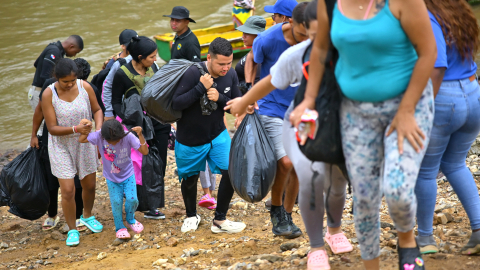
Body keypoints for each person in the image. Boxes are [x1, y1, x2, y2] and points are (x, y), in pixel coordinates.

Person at [290, 0, 437, 269]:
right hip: (355, 111)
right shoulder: (329, 3)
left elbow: (428, 52)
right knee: (365, 198)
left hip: (407, 105)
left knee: (398, 191)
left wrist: (406, 110)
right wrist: (308, 99)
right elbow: (321, 47)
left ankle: (406, 240)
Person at [225, 1, 353, 268]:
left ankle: (333, 229)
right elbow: (262, 73)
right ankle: (309, 239)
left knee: (338, 181)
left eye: (318, 35)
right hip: (285, 113)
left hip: (335, 119)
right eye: (308, 35)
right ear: (295, 25)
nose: (311, 41)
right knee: (299, 169)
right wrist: (245, 98)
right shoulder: (283, 46)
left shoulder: (345, 46)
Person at [415, 0, 480, 256]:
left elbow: (437, 64)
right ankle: (478, 229)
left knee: (425, 170)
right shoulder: (460, 10)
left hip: (444, 97)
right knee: (455, 163)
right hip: (473, 91)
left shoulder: (428, 14)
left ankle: (425, 238)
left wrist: (423, 107)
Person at [171, 37, 247, 234]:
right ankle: (191, 215)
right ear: (209, 58)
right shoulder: (191, 73)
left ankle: (220, 220)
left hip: (217, 134)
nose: (226, 67)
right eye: (221, 63)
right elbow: (176, 104)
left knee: (231, 172)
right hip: (190, 138)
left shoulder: (230, 74)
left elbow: (236, 105)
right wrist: (200, 88)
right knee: (189, 178)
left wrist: (220, 98)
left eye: (229, 63)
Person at [250, 2, 309, 239]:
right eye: (303, 33)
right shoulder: (268, 38)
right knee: (286, 162)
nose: (307, 38)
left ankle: (286, 214)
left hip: (300, 107)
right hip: (271, 107)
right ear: (289, 21)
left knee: (298, 166)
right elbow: (253, 62)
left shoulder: (313, 41)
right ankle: (276, 210)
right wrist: (248, 95)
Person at [31, 58, 99, 232]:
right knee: (68, 190)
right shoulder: (48, 94)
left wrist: (98, 131)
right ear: (56, 78)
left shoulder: (85, 87)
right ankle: (72, 229)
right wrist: (77, 128)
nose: (69, 85)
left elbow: (97, 110)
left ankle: (87, 216)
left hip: (84, 142)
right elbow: (52, 128)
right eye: (65, 81)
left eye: (72, 81)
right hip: (61, 144)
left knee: (89, 185)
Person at [111, 36, 169, 220]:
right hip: (138, 128)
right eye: (152, 57)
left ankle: (153, 205)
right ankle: (138, 202)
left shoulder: (153, 68)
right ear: (140, 56)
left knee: (159, 163)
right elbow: (115, 102)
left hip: (159, 123)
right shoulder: (122, 73)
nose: (155, 60)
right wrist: (127, 122)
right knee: (139, 166)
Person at [79, 120, 148, 239]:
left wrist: (140, 135)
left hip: (128, 175)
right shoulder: (99, 136)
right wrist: (87, 127)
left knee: (133, 200)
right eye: (110, 141)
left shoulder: (128, 136)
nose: (114, 143)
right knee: (116, 202)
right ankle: (120, 227)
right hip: (111, 178)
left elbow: (145, 151)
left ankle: (130, 219)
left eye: (117, 140)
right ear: (103, 137)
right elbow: (81, 139)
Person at [29, 35, 84, 111]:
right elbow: (45, 76)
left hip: (44, 91)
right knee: (46, 121)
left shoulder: (54, 48)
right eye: (75, 52)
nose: (74, 55)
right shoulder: (54, 51)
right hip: (40, 92)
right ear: (71, 46)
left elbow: (36, 63)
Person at [103, 29, 138, 121]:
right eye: (131, 44)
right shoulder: (114, 64)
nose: (135, 46)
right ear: (123, 46)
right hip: (118, 108)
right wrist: (109, 112)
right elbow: (107, 87)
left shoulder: (139, 58)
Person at [235, 16, 266, 92]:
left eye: (247, 33)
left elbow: (257, 83)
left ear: (257, 35)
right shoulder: (254, 49)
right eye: (243, 33)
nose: (243, 36)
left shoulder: (261, 54)